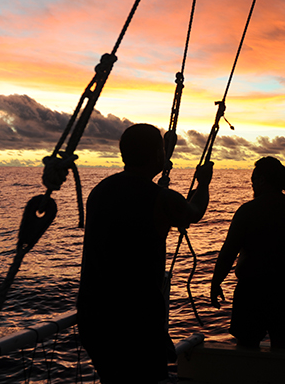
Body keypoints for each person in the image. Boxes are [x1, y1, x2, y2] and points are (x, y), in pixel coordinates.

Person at [77, 123, 213, 384]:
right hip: (135, 321)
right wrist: (203, 183)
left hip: (95, 317)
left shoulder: (100, 191)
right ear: (157, 155)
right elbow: (194, 212)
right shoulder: (161, 199)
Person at [210, 157, 285, 350]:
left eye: (253, 181)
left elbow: (229, 251)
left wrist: (216, 282)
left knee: (246, 349)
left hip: (252, 292)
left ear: (261, 180)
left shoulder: (247, 211)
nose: (252, 187)